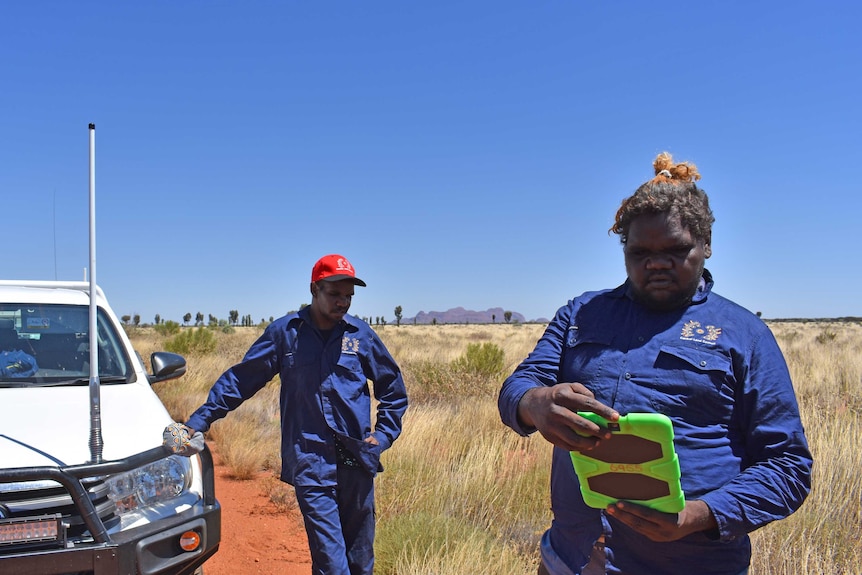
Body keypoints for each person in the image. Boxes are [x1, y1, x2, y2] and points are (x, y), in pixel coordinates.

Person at [498, 153, 812, 575]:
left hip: (692, 563)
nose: (657, 263)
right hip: (572, 557)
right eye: (640, 251)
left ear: (706, 246)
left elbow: (788, 467)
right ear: (623, 248)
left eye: (676, 249)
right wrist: (533, 402)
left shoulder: (745, 335)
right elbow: (521, 385)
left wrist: (700, 515)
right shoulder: (581, 314)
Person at [181, 254, 408, 575]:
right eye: (335, 294)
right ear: (314, 289)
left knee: (360, 559)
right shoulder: (285, 334)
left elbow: (393, 389)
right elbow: (242, 379)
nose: (343, 302)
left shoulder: (360, 336)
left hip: (357, 459)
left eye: (348, 296)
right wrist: (199, 420)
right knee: (332, 563)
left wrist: (383, 435)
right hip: (310, 462)